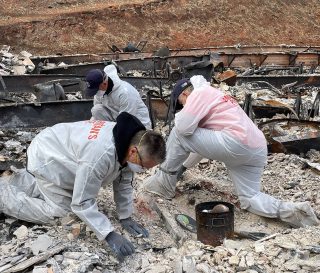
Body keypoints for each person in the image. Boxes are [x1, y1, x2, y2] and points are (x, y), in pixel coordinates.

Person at [142, 75, 319, 228]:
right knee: (250, 199)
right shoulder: (215, 95)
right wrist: (183, 168)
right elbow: (202, 147)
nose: (184, 106)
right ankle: (296, 212)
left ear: (184, 94)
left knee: (178, 132)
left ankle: (163, 185)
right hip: (256, 148)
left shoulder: (199, 93)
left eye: (181, 103)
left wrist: (172, 168)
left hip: (236, 143)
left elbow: (182, 129)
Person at [0, 112, 166, 261]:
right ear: (133, 152)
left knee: (68, 190)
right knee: (63, 213)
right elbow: (81, 202)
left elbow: (123, 181)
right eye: (144, 166)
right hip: (46, 158)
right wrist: (108, 234)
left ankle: (20, 180)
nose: (142, 170)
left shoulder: (129, 140)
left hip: (58, 148)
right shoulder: (100, 155)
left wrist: (125, 215)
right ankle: (4, 197)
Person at [85, 64, 152, 129]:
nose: (96, 93)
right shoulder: (100, 92)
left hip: (136, 123)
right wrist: (92, 122)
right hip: (117, 118)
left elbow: (126, 119)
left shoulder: (125, 93)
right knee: (96, 110)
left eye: (96, 89)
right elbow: (97, 108)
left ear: (104, 84)